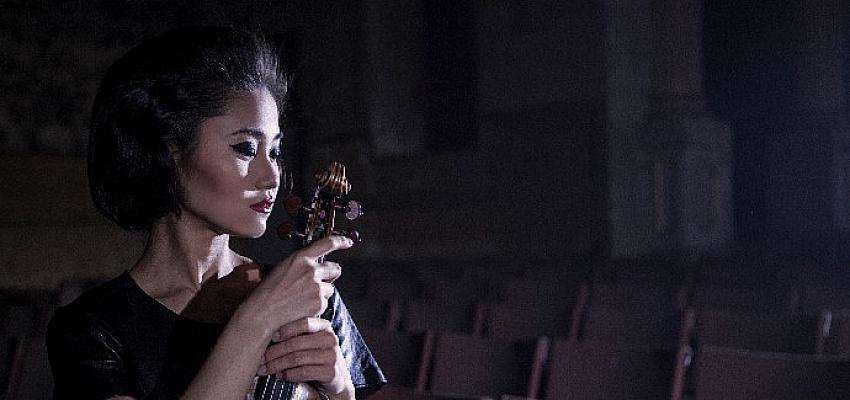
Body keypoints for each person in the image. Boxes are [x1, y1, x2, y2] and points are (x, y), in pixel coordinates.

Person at [46, 26, 386, 400]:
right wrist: (256, 320)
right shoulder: (92, 327)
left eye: (274, 152)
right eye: (246, 148)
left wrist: (341, 390)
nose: (272, 175)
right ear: (169, 151)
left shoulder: (307, 298)